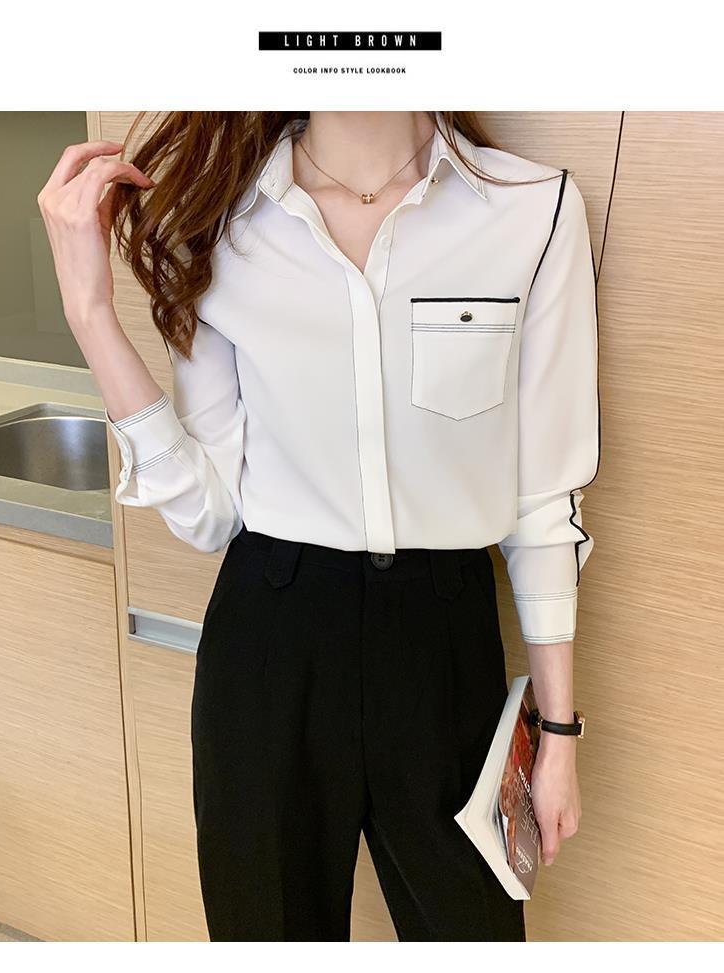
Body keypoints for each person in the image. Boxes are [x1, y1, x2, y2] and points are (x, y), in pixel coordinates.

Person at [38, 111, 599, 942]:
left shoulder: (531, 209)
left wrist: (557, 732)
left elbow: (544, 500)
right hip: (272, 638)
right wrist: (90, 312)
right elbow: (210, 513)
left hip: (444, 645)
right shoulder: (216, 222)